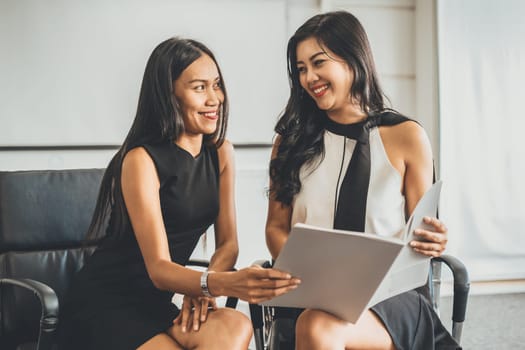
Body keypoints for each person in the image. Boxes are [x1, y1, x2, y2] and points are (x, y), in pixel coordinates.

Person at [58, 37, 300, 350]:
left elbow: (228, 244)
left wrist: (205, 287)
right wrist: (221, 283)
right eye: (199, 87)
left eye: (216, 85)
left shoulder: (222, 153)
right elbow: (158, 268)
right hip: (107, 302)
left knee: (234, 326)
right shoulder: (140, 159)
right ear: (168, 95)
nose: (215, 98)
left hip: (158, 303)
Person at [265, 11, 460, 350]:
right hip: (312, 291)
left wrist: (435, 239)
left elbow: (423, 231)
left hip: (389, 299)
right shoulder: (290, 141)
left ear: (353, 59)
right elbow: (275, 228)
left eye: (318, 63)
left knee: (317, 326)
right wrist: (314, 278)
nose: (309, 77)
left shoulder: (406, 136)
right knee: (316, 320)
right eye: (300, 69)